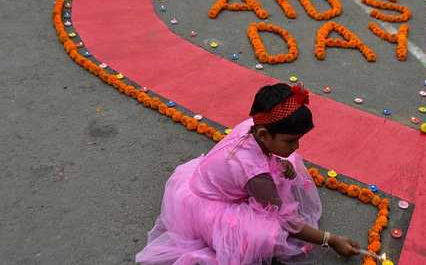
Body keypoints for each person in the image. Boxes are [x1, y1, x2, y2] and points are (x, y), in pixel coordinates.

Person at [136, 83, 361, 265]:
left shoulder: (252, 125)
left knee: (288, 160)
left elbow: (263, 158)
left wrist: (278, 163)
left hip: (215, 176)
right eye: (291, 140)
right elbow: (289, 223)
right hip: (209, 204)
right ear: (263, 134)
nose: (297, 146)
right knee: (266, 235)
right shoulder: (257, 175)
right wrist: (330, 240)